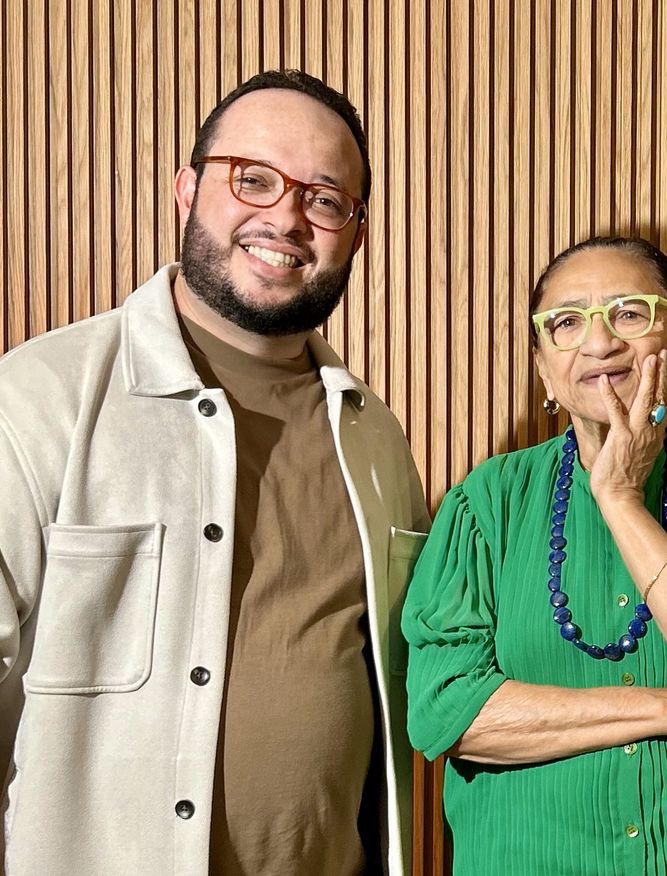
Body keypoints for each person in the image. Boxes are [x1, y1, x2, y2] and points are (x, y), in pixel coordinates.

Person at [0, 70, 430, 875]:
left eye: (326, 199)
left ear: (356, 234)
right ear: (187, 189)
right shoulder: (38, 398)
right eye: (253, 179)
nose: (288, 217)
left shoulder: (377, 439)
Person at [404, 236, 667, 874]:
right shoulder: (486, 503)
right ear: (543, 368)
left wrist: (621, 499)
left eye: (630, 313)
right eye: (566, 324)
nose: (599, 344)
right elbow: (447, 713)